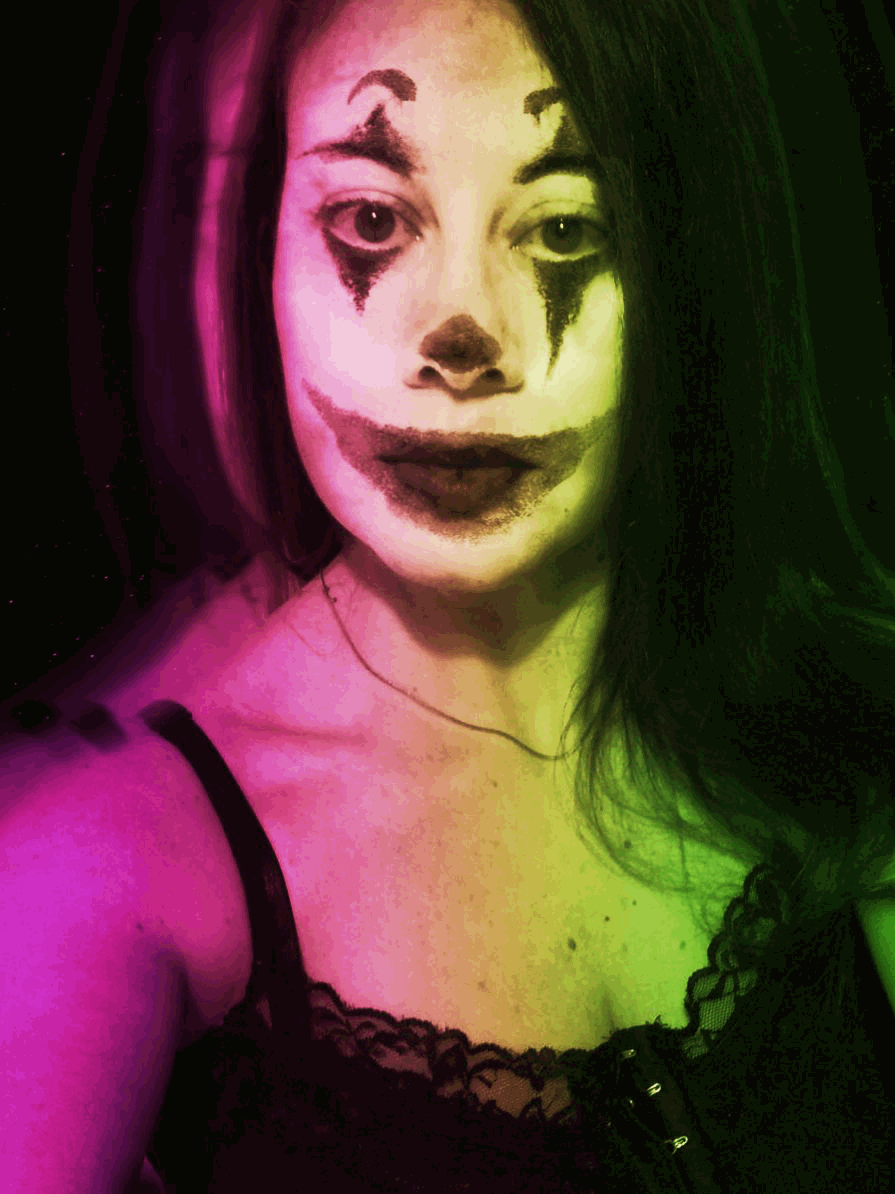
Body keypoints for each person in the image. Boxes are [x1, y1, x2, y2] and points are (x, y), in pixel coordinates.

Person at [3, 0, 895, 1190]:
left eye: (566, 227)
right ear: (264, 246)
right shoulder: (112, 864)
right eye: (370, 218)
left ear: (699, 264)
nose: (459, 336)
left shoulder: (835, 707)